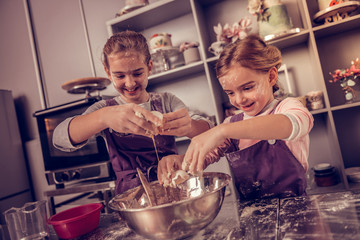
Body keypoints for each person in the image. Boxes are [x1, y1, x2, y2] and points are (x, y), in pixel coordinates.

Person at [53, 30, 212, 195]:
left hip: (174, 188)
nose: (129, 84)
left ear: (149, 67)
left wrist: (190, 126)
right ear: (108, 73)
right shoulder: (105, 109)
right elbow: (59, 138)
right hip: (132, 198)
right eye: (120, 76)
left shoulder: (167, 102)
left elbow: (210, 133)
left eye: (137, 73)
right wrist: (103, 117)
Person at [157, 34, 314, 200]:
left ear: (271, 77)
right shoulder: (232, 123)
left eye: (247, 88)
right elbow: (204, 156)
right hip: (253, 214)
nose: (239, 99)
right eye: (230, 93)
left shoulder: (288, 107)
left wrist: (222, 130)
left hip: (296, 207)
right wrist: (181, 162)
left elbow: (292, 124)